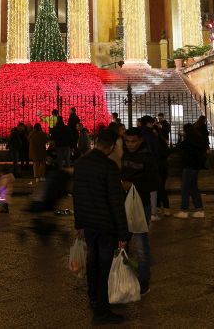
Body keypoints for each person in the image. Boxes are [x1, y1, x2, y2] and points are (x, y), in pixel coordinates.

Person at [73, 130, 130, 325]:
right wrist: (123, 233)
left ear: (96, 142)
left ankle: (93, 296)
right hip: (106, 224)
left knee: (93, 261)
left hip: (88, 223)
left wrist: (79, 224)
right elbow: (116, 202)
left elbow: (77, 196)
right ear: (111, 146)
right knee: (105, 266)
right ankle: (102, 311)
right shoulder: (109, 166)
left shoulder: (80, 163)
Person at [121, 128, 159, 294]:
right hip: (125, 203)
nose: (130, 144)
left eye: (133, 141)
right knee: (123, 242)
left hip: (141, 204)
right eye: (127, 141)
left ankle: (144, 280)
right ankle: (125, 276)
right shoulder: (125, 155)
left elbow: (154, 183)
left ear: (140, 140)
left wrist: (132, 185)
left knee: (141, 243)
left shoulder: (148, 158)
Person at [174, 124, 207, 218]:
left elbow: (178, 147)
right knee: (193, 188)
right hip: (196, 167)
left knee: (185, 189)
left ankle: (184, 210)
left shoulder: (188, 141)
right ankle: (199, 209)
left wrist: (180, 137)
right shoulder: (198, 139)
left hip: (188, 166)